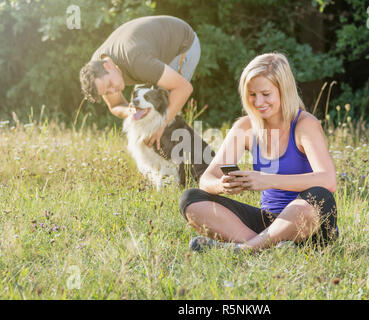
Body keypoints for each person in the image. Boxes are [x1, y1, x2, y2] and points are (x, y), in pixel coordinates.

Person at [179, 52, 339, 252]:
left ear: (284, 91)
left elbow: (328, 180)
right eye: (252, 95)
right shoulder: (246, 127)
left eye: (266, 94)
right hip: (267, 223)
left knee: (320, 196)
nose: (258, 102)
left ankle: (245, 249)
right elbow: (207, 179)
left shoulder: (305, 125)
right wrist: (221, 185)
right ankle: (266, 248)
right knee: (191, 200)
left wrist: (268, 180)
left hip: (308, 225)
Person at [79, 15, 200, 150]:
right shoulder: (97, 70)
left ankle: (196, 164)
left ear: (107, 66)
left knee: (163, 114)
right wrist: (131, 111)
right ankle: (155, 166)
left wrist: (161, 126)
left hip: (182, 44)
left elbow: (183, 88)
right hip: (149, 54)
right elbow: (116, 105)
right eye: (106, 92)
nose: (113, 92)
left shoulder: (136, 60)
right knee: (145, 112)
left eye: (110, 85)